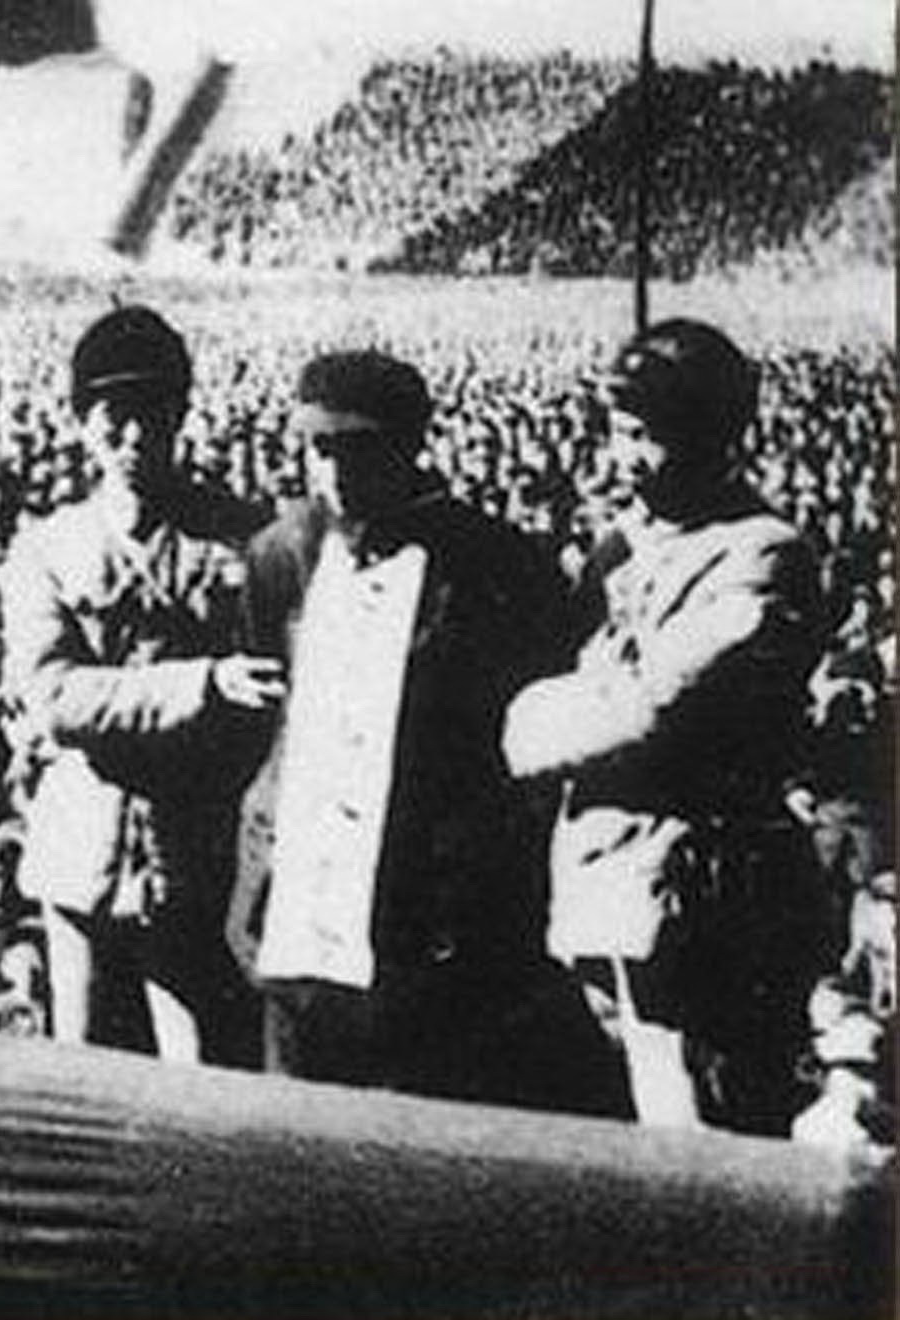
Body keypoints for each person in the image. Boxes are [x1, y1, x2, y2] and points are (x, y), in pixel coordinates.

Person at [228, 350, 625, 1118]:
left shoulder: (490, 563)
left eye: (358, 449)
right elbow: (269, 715)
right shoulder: (280, 555)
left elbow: (527, 724)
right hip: (299, 905)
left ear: (409, 446)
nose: (334, 472)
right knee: (296, 1131)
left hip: (426, 919)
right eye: (318, 449)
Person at [503, 320, 828, 1135]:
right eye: (618, 433)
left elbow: (649, 706)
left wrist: (529, 720)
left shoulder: (759, 553)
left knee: (693, 1126)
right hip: (605, 881)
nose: (624, 459)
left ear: (711, 436)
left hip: (692, 890)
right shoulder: (621, 547)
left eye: (645, 437)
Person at [0, 306, 277, 1066]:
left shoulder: (243, 539)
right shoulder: (48, 548)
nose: (134, 436)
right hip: (82, 834)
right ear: (81, 423)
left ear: (180, 416)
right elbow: (55, 696)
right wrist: (204, 683)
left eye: (153, 414)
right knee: (76, 1061)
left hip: (194, 841)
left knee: (197, 1068)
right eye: (113, 417)